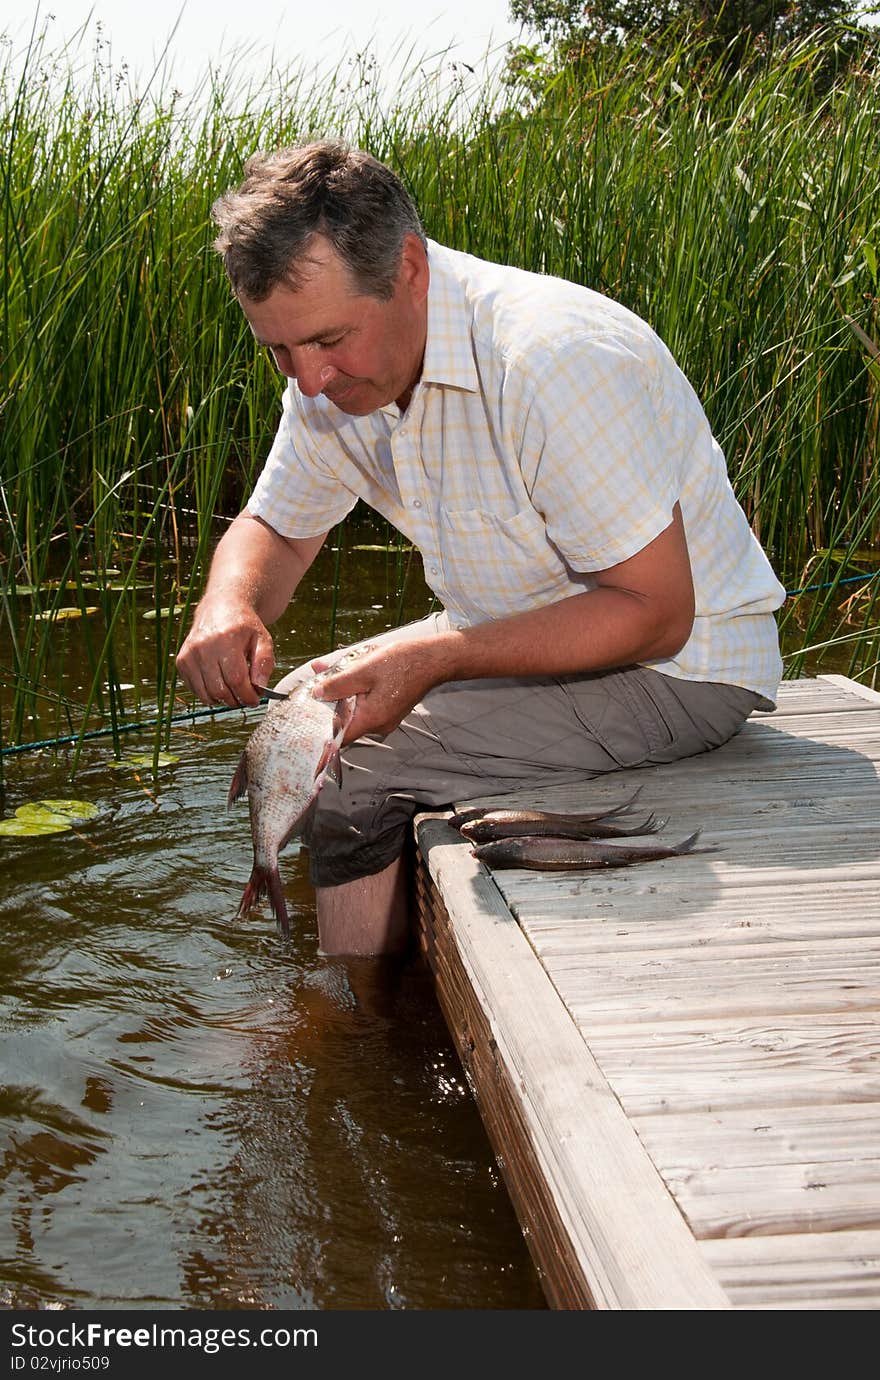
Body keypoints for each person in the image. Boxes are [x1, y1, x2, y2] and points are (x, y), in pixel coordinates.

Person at [176, 139, 786, 958]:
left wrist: (432, 662)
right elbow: (277, 530)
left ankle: (345, 1020)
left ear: (412, 270)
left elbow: (658, 615)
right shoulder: (328, 380)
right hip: (540, 634)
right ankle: (364, 945)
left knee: (356, 771)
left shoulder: (548, 359)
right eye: (279, 350)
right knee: (299, 712)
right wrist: (230, 603)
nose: (309, 379)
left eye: (327, 341)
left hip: (678, 672)